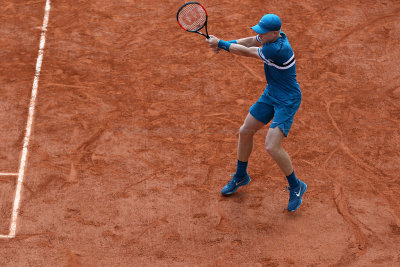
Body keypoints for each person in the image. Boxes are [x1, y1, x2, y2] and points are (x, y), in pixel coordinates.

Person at [206, 14, 307, 212]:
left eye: (263, 31)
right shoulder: (273, 37)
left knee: (271, 146)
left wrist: (222, 44)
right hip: (271, 94)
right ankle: (241, 175)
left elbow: (249, 52)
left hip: (287, 100)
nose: (259, 33)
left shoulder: (277, 49)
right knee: (245, 131)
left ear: (275, 33)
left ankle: (296, 186)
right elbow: (251, 40)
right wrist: (224, 44)